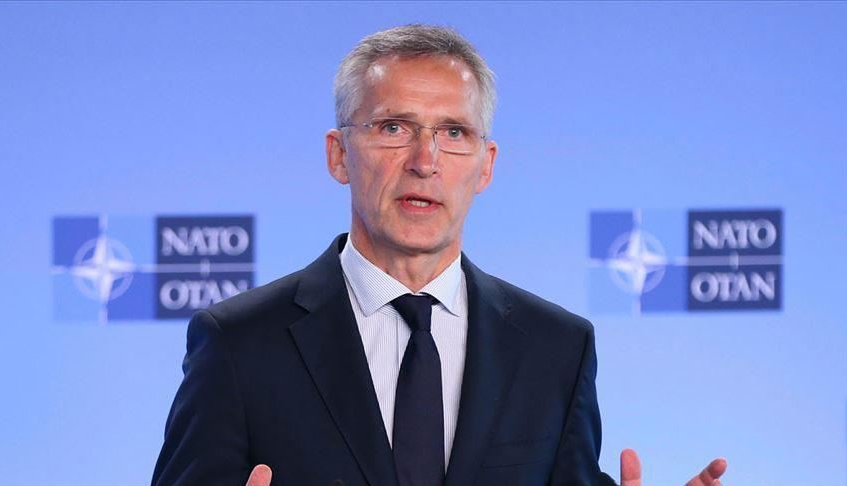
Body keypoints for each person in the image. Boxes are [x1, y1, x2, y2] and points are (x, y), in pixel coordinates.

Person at [152, 25, 727, 486]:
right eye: (394, 127)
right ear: (339, 155)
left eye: (454, 133)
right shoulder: (238, 344)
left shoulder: (557, 348)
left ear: (486, 165)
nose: (425, 161)